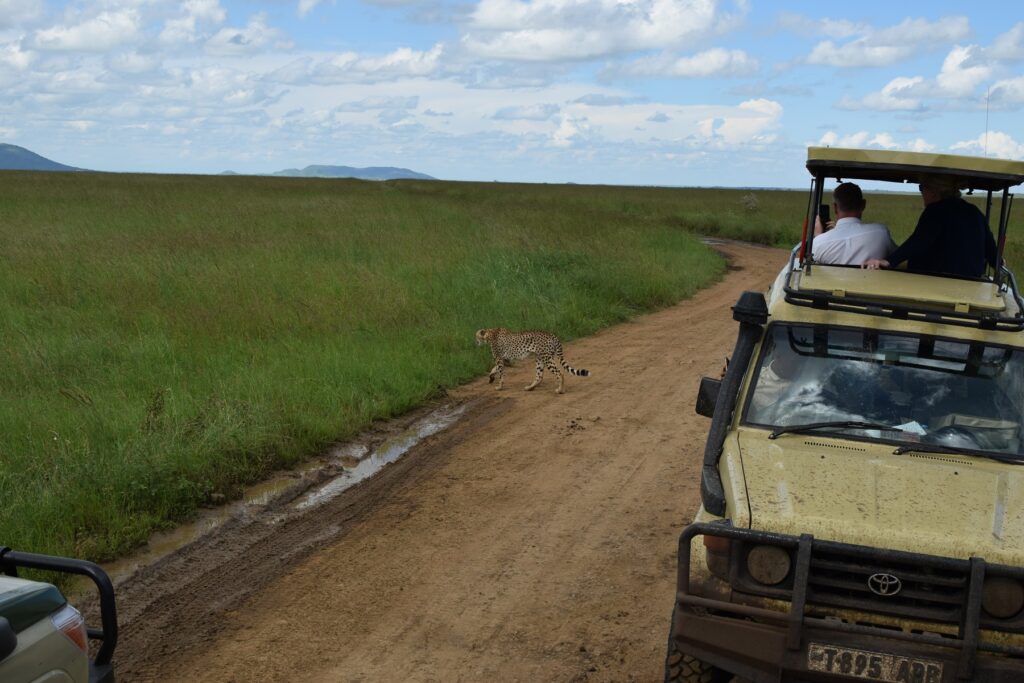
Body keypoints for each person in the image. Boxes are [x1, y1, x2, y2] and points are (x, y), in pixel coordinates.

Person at [862, 174, 997, 277]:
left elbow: (918, 242)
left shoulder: (935, 210)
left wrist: (889, 261)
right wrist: (998, 261)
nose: (921, 192)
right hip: (971, 283)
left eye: (922, 187)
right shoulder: (975, 211)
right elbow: (991, 251)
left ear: (934, 191)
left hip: (937, 281)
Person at [811, 182, 896, 265]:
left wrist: (819, 236)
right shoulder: (881, 233)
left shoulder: (819, 243)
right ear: (863, 205)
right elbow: (899, 257)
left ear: (835, 208)